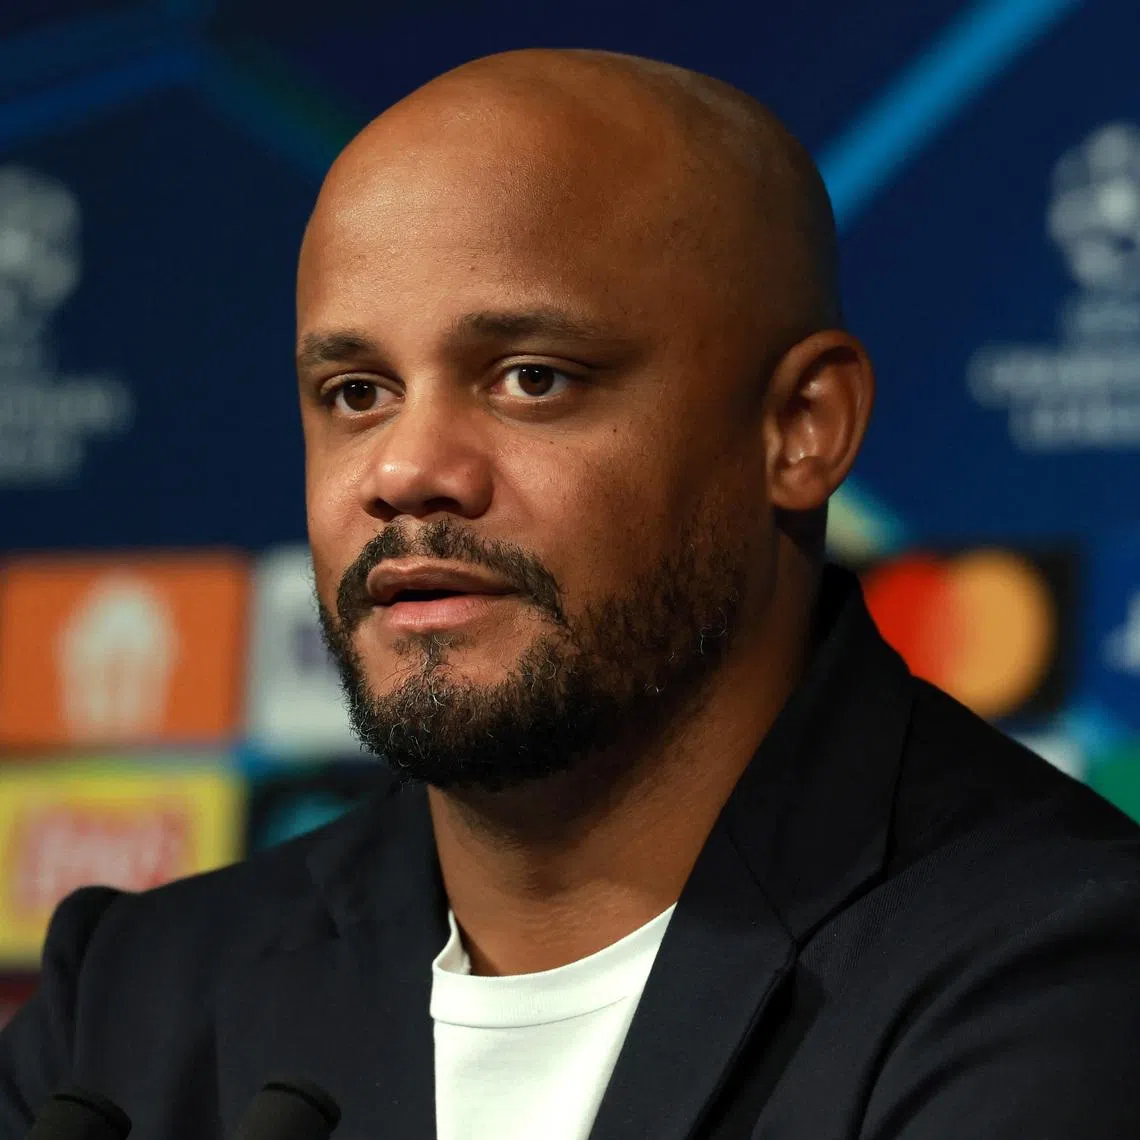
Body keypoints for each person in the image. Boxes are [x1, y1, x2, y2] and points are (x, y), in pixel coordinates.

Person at [3, 48, 1139, 1140]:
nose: (405, 471)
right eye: (355, 392)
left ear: (802, 427)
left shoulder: (1065, 964)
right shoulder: (126, 1005)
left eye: (532, 378)